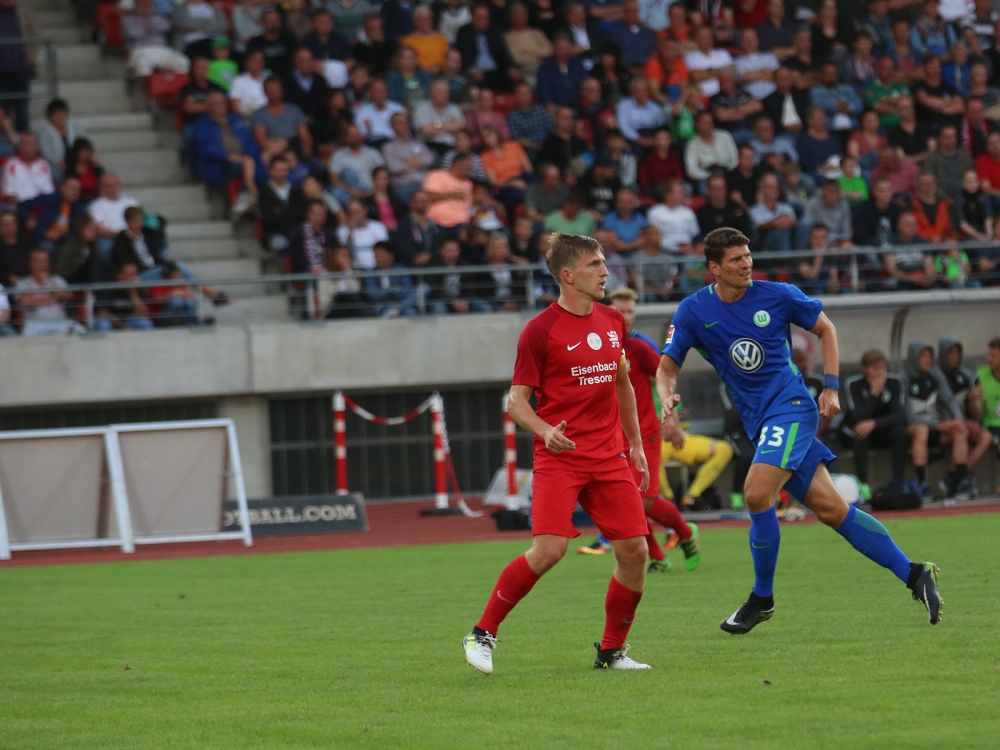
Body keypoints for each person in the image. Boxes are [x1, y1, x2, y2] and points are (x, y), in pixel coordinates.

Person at [656, 226, 944, 634]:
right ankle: (915, 573)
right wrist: (667, 403)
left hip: (791, 408)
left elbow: (827, 329)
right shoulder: (693, 310)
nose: (747, 264)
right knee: (833, 511)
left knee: (756, 493)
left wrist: (831, 387)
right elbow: (666, 368)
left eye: (748, 255)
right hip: (761, 422)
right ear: (715, 268)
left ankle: (762, 599)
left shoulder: (778, 295)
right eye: (736, 259)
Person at [462, 231, 654, 675]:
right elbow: (516, 402)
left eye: (603, 262)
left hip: (608, 455)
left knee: (635, 552)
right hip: (560, 458)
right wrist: (545, 430)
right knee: (549, 551)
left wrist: (635, 443)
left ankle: (611, 652)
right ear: (567, 275)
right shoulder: (539, 331)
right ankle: (481, 633)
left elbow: (622, 382)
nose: (605, 272)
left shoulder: (612, 320)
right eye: (594, 265)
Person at [578, 287, 703, 572]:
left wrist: (670, 417)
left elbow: (665, 376)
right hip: (609, 437)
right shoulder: (593, 344)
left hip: (643, 433)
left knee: (642, 502)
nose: (626, 317)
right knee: (623, 504)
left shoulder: (639, 346)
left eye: (630, 312)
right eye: (620, 311)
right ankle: (658, 557)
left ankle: (685, 533)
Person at [901, 341, 972, 500]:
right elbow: (906, 415)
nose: (928, 360)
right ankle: (922, 483)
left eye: (930, 356)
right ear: (914, 358)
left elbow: (949, 399)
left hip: (936, 427)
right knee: (922, 430)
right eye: (923, 356)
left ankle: (960, 482)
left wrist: (958, 418)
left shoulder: (935, 375)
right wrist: (937, 425)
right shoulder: (904, 378)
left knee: (960, 430)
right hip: (912, 429)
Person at [840, 349, 908, 492]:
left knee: (900, 432)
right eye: (875, 369)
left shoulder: (895, 382)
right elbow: (858, 416)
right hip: (860, 430)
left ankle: (898, 483)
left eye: (883, 368)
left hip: (883, 428)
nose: (880, 373)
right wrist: (873, 394)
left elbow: (900, 414)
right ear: (865, 369)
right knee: (861, 432)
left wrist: (874, 423)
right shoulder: (853, 384)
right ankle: (863, 485)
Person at [938, 335, 993, 483]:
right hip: (941, 427)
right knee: (961, 432)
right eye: (951, 352)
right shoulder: (935, 376)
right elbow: (935, 409)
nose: (955, 356)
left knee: (986, 436)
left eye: (958, 352)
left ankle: (956, 479)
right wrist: (958, 422)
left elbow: (975, 412)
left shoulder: (967, 376)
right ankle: (960, 481)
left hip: (963, 423)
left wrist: (974, 405)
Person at [15, 248, 85, 336]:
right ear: (31, 264)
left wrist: (49, 285)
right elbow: (25, 301)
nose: (44, 266)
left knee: (82, 332)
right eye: (40, 262)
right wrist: (53, 298)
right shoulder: (23, 283)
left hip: (60, 323)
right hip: (35, 325)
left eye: (46, 262)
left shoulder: (57, 280)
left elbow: (68, 295)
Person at [455, 4, 520, 91]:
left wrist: (511, 68)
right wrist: (472, 70)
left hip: (496, 71)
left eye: (486, 18)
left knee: (516, 81)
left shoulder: (494, 31)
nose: (484, 21)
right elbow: (463, 54)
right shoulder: (464, 32)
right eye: (480, 18)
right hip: (476, 72)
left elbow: (503, 53)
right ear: (472, 18)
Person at [249, 78, 313, 158]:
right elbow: (261, 141)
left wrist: (306, 147)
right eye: (272, 91)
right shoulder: (258, 114)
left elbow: (305, 134)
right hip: (274, 153)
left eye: (278, 90)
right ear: (265, 92)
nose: (275, 94)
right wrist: (281, 149)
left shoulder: (294, 109)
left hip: (296, 150)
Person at [426, 236, 490, 314]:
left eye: (456, 250)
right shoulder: (434, 266)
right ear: (442, 251)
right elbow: (434, 290)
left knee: (484, 307)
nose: (454, 253)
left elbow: (471, 288)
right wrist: (451, 302)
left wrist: (466, 300)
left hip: (463, 299)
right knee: (439, 308)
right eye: (450, 250)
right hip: (442, 300)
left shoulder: (465, 265)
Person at [421, 154, 474, 234]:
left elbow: (468, 206)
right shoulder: (437, 175)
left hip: (461, 223)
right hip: (436, 221)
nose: (470, 170)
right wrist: (452, 195)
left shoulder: (468, 184)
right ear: (457, 164)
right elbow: (427, 196)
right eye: (468, 167)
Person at [684, 110, 738, 187]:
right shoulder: (692, 144)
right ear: (697, 124)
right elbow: (691, 170)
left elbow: (735, 159)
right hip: (706, 176)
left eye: (710, 122)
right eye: (705, 123)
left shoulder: (724, 136)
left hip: (727, 172)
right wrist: (710, 176)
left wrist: (728, 172)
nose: (708, 125)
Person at [363, 241, 417, 317]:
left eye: (380, 256)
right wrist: (393, 290)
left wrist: (391, 292)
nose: (377, 259)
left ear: (390, 256)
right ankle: (397, 309)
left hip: (400, 301)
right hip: (382, 305)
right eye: (375, 256)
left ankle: (398, 308)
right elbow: (373, 295)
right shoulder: (371, 274)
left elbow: (408, 289)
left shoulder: (400, 269)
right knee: (389, 312)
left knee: (411, 311)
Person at [969, 338, 1000, 470]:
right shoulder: (980, 376)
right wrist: (973, 399)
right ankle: (960, 477)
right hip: (991, 425)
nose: (989, 359)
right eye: (988, 355)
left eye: (994, 356)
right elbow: (977, 414)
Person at [413, 79, 466, 157]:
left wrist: (436, 125)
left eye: (447, 93)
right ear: (432, 93)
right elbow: (425, 131)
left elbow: (460, 125)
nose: (445, 96)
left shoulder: (453, 108)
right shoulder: (421, 109)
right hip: (428, 146)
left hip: (451, 146)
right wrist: (450, 128)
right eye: (441, 93)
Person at [922, 125, 975, 200]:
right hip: (939, 198)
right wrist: (944, 197)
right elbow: (929, 182)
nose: (952, 140)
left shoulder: (966, 156)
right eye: (948, 137)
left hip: (964, 197)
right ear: (940, 138)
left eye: (954, 137)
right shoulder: (932, 158)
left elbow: (972, 178)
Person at [37, 99, 87, 178]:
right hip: (56, 166)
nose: (60, 117)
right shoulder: (45, 133)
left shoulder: (76, 128)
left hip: (76, 163)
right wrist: (60, 164)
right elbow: (47, 154)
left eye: (63, 113)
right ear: (50, 116)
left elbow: (83, 145)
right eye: (57, 114)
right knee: (57, 173)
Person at [504, 2, 553, 82]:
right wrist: (538, 55)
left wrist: (526, 51)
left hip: (545, 66)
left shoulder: (537, 32)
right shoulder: (508, 37)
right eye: (517, 16)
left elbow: (549, 50)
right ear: (511, 17)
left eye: (523, 15)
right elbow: (517, 58)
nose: (521, 18)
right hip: (525, 71)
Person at [1, 132, 54, 204]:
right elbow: (9, 193)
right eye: (25, 144)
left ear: (36, 146)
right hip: (18, 205)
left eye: (31, 144)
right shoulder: (11, 164)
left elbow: (48, 191)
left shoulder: (44, 165)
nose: (29, 148)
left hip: (40, 206)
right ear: (20, 145)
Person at [647, 180, 697, 253]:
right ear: (668, 194)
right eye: (680, 193)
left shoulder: (688, 212)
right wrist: (676, 250)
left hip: (688, 251)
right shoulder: (655, 212)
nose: (683, 195)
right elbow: (653, 238)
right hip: (664, 252)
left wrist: (691, 247)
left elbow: (695, 234)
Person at [245, 8, 296, 79]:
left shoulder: (289, 40)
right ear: (262, 23)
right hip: (260, 80)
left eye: (276, 21)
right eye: (270, 21)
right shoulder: (254, 42)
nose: (274, 24)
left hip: (287, 80)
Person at [282, 47, 329, 120]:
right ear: (295, 62)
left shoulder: (320, 81)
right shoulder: (286, 81)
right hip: (293, 121)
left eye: (309, 60)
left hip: (319, 121)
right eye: (303, 61)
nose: (307, 64)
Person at [403, 5, 451, 75]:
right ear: (415, 21)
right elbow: (406, 63)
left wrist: (439, 67)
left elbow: (448, 59)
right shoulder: (408, 41)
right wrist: (424, 70)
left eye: (429, 19)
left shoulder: (441, 38)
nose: (426, 22)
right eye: (422, 20)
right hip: (417, 75)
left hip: (440, 74)